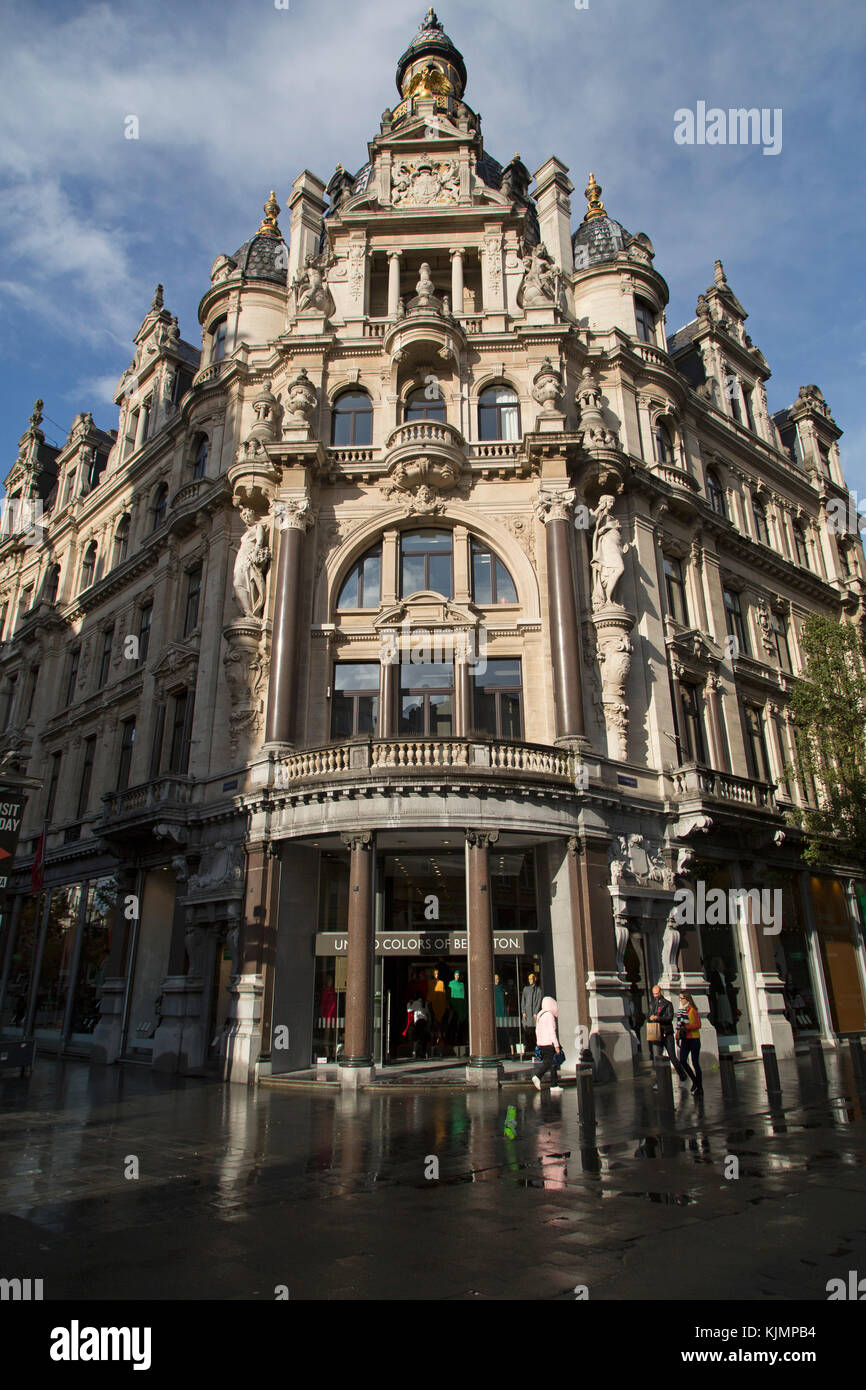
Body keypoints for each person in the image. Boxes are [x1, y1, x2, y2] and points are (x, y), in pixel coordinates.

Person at [647, 983, 687, 1084]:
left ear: (660, 992)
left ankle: (682, 1076)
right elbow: (649, 1015)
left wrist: (658, 1018)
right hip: (656, 1033)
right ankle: (658, 1080)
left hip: (667, 1033)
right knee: (657, 1057)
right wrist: (651, 1018)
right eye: (654, 994)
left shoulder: (668, 1004)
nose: (655, 995)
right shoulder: (652, 1004)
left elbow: (670, 1017)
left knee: (672, 1056)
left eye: (657, 993)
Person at [532, 995, 563, 1093]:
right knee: (551, 1063)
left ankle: (554, 1084)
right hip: (549, 1043)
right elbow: (552, 1032)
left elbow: (537, 1031)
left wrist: (539, 1042)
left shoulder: (540, 1015)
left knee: (550, 1063)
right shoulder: (549, 1015)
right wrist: (556, 1046)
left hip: (542, 1043)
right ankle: (540, 1077)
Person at [676, 990, 703, 1095]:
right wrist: (677, 1035)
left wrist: (686, 1027)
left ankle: (699, 1086)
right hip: (685, 1039)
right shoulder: (682, 1011)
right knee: (682, 1060)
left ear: (687, 998)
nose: (681, 1001)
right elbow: (679, 1025)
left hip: (694, 1039)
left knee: (695, 1062)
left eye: (682, 998)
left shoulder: (692, 1010)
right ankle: (695, 1081)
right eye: (680, 998)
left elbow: (698, 1024)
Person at [521, 972, 542, 1057]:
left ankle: (536, 1050)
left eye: (532, 979)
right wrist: (523, 1011)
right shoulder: (526, 989)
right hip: (527, 1014)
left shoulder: (538, 990)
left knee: (534, 1032)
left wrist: (536, 1012)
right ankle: (525, 1050)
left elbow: (538, 1001)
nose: (530, 981)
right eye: (529, 979)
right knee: (526, 1032)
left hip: (534, 1014)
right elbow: (523, 1000)